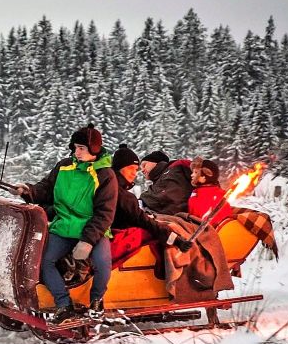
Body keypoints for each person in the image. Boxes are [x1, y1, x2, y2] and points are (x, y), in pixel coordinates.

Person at [11, 124, 118, 324]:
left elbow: (105, 214)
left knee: (103, 264)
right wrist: (27, 190)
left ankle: (96, 300)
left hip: (92, 230)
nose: (76, 152)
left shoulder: (106, 176)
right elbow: (45, 188)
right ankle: (64, 304)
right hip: (63, 226)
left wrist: (87, 242)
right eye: (75, 147)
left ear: (94, 150)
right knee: (45, 262)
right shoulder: (63, 166)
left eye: (81, 148)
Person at [109, 144, 193, 260]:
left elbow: (170, 201)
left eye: (140, 167)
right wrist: (175, 239)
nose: (137, 172)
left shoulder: (173, 173)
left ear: (157, 163)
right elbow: (143, 219)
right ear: (120, 167)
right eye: (131, 168)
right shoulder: (118, 192)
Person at [140, 150, 193, 215]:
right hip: (164, 217)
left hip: (179, 217)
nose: (142, 170)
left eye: (144, 165)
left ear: (156, 162)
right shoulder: (155, 185)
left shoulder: (176, 167)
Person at [187, 157, 233, 227]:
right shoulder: (198, 192)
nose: (192, 175)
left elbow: (209, 224)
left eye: (196, 172)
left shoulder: (211, 196)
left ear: (205, 176)